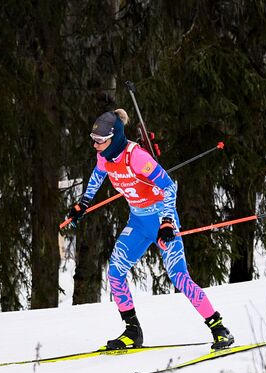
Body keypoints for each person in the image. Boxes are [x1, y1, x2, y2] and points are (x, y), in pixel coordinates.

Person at [63, 109, 235, 351]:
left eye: (100, 141)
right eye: (94, 140)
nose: (95, 145)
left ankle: (219, 329)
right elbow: (97, 177)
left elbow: (168, 186)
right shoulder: (105, 157)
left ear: (115, 138)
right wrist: (83, 203)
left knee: (179, 277)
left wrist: (166, 221)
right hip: (138, 222)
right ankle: (132, 331)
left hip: (162, 220)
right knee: (115, 272)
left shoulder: (137, 158)